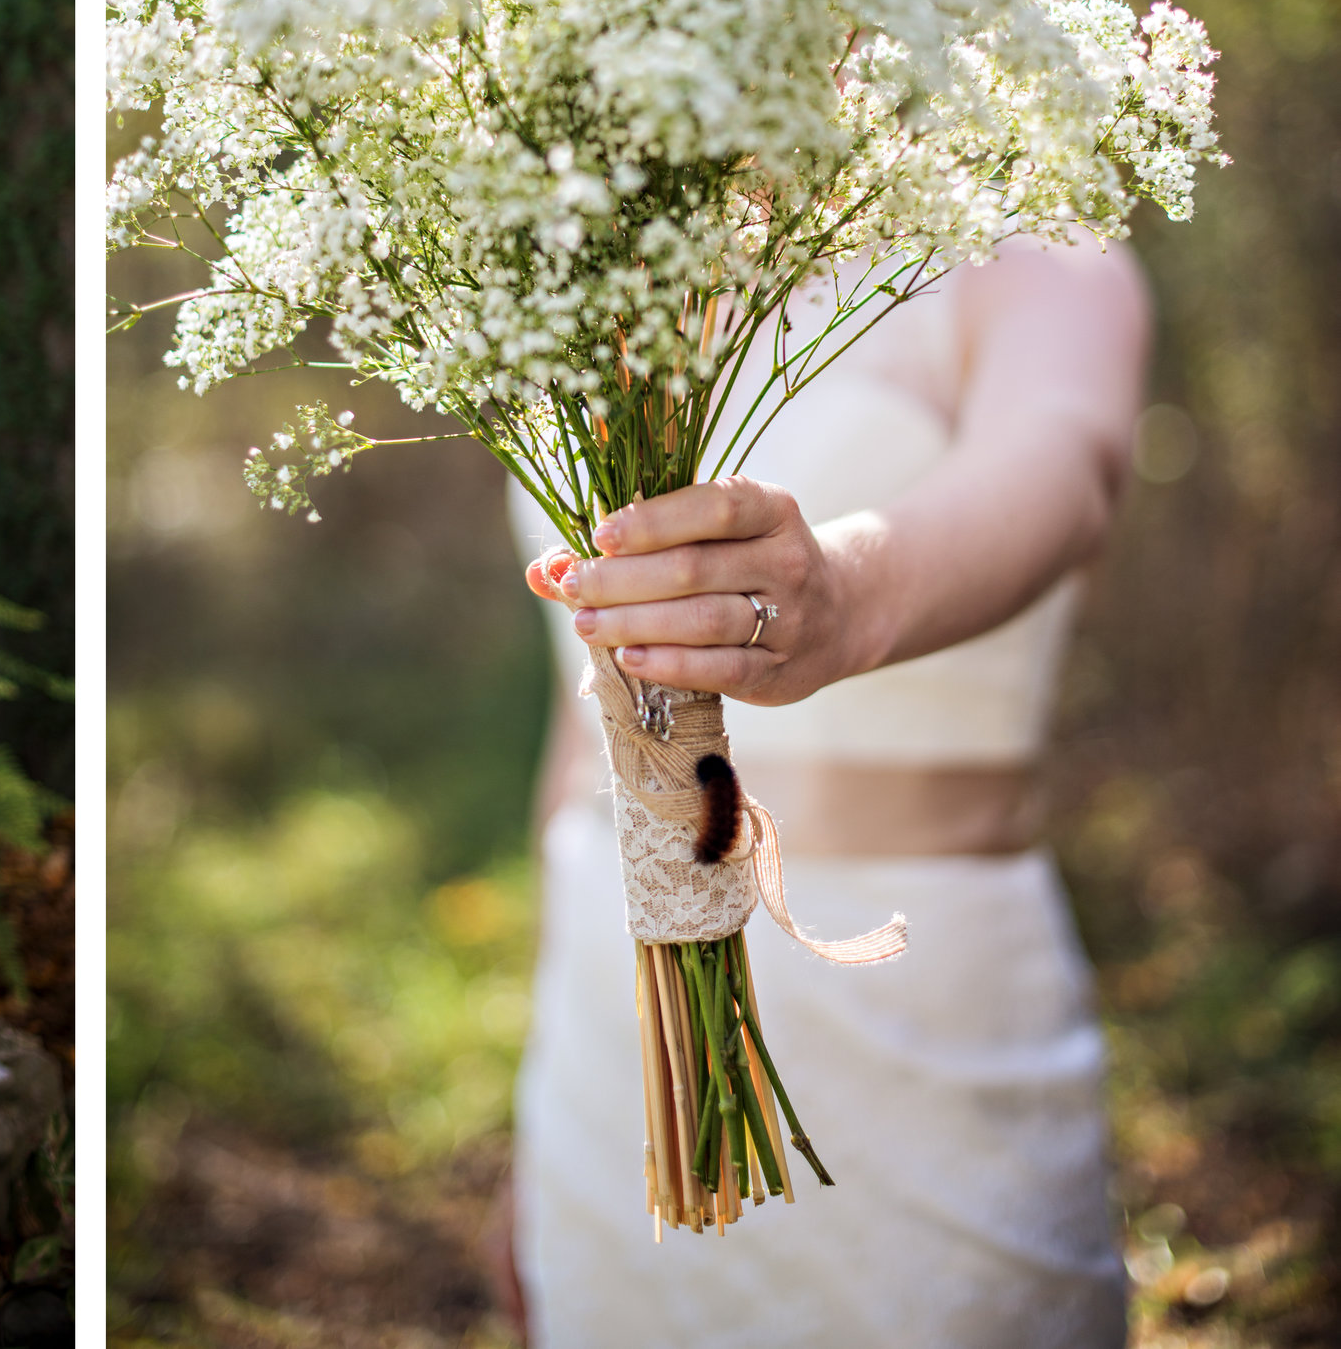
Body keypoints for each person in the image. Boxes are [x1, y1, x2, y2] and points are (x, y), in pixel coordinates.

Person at [492, 234, 1147, 1348]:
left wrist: (847, 593)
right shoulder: (595, 254)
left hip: (923, 1020)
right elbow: (587, 705)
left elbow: (1063, 467)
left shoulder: (1033, 250)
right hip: (615, 1040)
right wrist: (533, 1104)